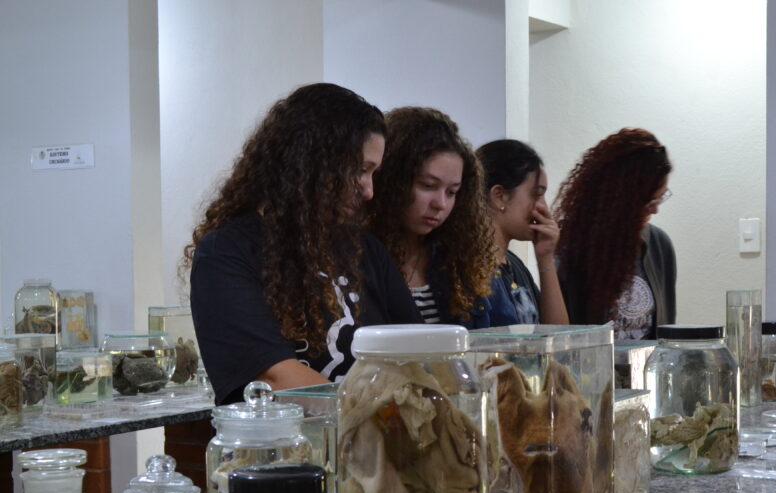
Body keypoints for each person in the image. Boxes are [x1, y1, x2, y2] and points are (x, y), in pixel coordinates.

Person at [184, 83, 421, 405]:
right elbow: (275, 377)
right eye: (360, 170)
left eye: (373, 173)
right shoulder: (227, 251)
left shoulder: (364, 247)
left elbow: (419, 351)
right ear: (312, 162)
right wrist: (380, 419)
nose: (368, 191)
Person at [366, 107, 498, 327]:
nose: (440, 204)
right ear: (392, 180)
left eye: (452, 192)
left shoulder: (457, 260)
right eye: (428, 186)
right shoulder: (362, 255)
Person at [554, 128, 676, 339]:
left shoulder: (660, 246)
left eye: (660, 197)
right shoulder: (574, 249)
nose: (655, 209)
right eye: (648, 201)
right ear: (621, 199)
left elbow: (666, 334)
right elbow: (564, 333)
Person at [476, 139, 569, 325]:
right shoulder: (472, 269)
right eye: (536, 194)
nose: (543, 207)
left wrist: (545, 258)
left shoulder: (513, 264)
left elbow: (557, 337)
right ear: (500, 196)